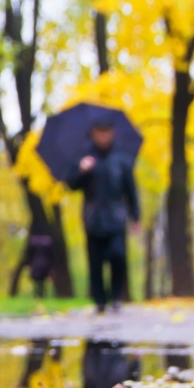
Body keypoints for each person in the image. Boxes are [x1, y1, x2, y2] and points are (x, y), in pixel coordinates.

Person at [66, 121, 141, 312]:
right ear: (93, 134)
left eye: (106, 132)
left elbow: (131, 190)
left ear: (112, 133)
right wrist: (81, 170)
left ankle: (116, 296)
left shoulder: (122, 159)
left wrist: (136, 217)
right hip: (93, 218)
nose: (103, 136)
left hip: (116, 217)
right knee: (95, 261)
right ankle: (100, 300)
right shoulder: (85, 156)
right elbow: (71, 184)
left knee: (118, 256)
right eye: (99, 133)